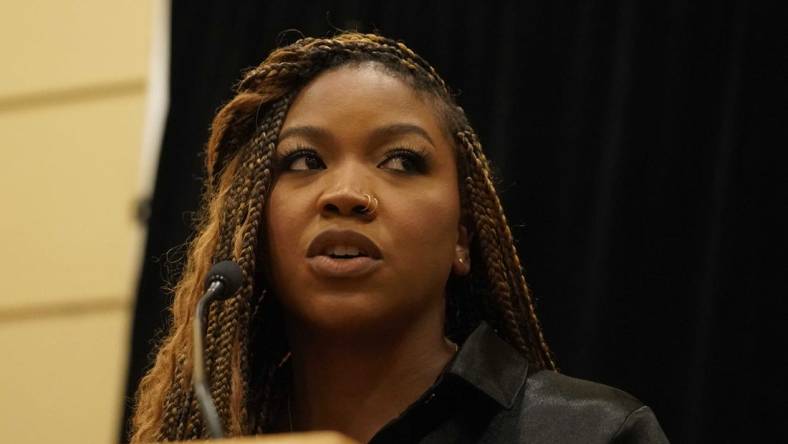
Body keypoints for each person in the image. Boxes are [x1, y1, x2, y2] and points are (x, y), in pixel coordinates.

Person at [130, 32, 668, 443]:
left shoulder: (592, 435)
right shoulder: (211, 433)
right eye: (304, 160)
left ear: (463, 240)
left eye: (401, 161)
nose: (345, 194)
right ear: (253, 235)